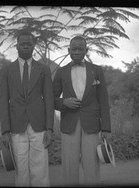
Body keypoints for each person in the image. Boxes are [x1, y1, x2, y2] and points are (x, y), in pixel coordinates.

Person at [53, 36, 111, 186]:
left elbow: (103, 100)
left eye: (80, 49)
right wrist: (63, 102)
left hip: (91, 124)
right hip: (69, 123)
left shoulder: (97, 71)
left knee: (92, 165)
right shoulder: (61, 72)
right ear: (68, 51)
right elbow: (51, 98)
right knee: (69, 166)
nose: (77, 52)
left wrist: (106, 128)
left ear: (86, 50)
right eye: (74, 49)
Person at [0, 30, 54, 187]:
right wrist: (5, 130)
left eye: (28, 44)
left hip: (39, 126)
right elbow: (3, 101)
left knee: (40, 170)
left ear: (33, 45)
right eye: (22, 44)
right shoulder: (6, 71)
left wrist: (49, 129)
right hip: (16, 127)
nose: (25, 47)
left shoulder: (44, 70)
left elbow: (49, 100)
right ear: (16, 46)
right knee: (21, 171)